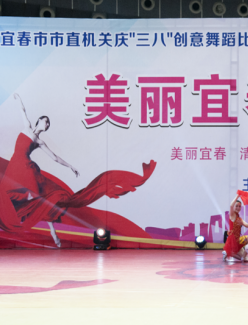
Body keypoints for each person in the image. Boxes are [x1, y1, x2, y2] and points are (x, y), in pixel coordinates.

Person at [0, 94, 157, 247]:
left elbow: (55, 157)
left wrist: (70, 166)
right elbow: (23, 111)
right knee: (9, 194)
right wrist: (19, 99)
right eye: (46, 121)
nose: (47, 124)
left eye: (48, 124)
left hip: (26, 168)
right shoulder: (27, 127)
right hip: (15, 166)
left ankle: (50, 231)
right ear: (39, 120)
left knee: (38, 198)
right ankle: (26, 220)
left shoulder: (40, 142)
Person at [222, 194, 248, 261]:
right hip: (233, 241)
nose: (238, 207)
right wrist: (237, 196)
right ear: (234, 207)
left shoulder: (239, 218)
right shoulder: (232, 215)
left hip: (238, 240)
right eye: (236, 206)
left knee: (245, 259)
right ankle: (228, 252)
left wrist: (242, 223)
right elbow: (231, 205)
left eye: (239, 206)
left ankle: (228, 253)